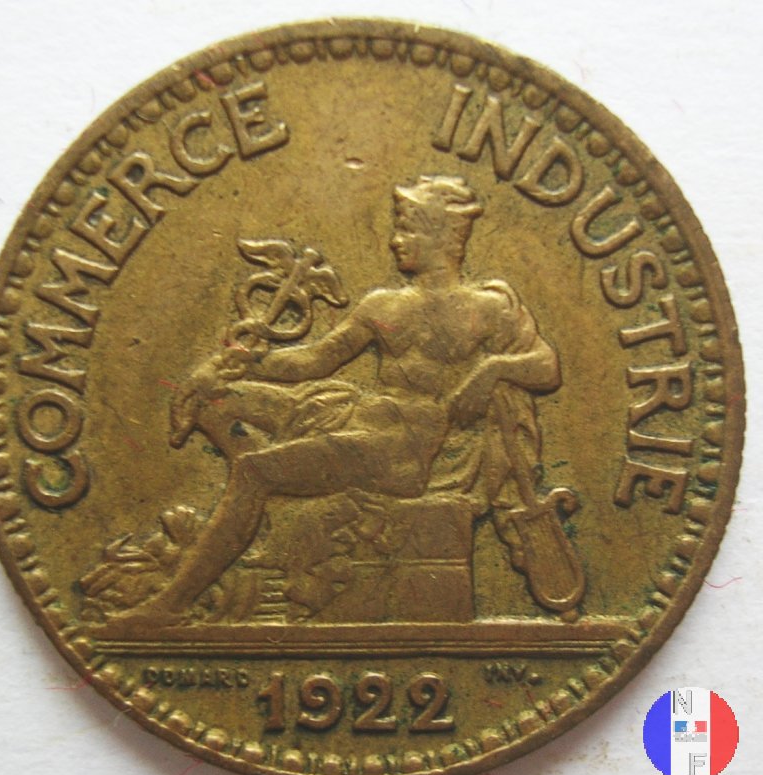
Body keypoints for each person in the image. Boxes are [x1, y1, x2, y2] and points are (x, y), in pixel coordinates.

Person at [126, 175, 560, 622]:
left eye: (407, 228)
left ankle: (173, 603)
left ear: (441, 235)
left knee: (254, 471)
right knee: (215, 400)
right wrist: (246, 361)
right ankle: (263, 521)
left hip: (401, 451)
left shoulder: (488, 307)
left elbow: (545, 367)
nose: (394, 241)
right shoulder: (382, 304)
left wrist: (492, 370)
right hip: (354, 415)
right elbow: (314, 361)